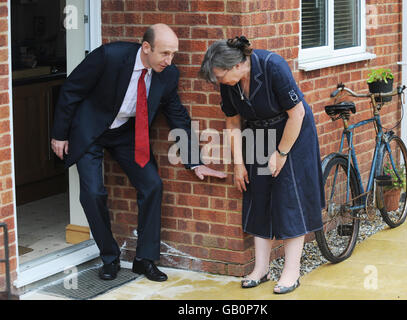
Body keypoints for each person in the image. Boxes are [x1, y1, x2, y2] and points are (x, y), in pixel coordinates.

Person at [51, 24, 226, 282]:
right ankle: (109, 258)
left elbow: (177, 115)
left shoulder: (167, 75)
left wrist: (194, 161)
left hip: (126, 134)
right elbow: (71, 89)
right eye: (165, 53)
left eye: (173, 54)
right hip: (90, 130)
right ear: (146, 48)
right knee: (92, 193)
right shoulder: (109, 57)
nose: (170, 60)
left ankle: (144, 260)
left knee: (152, 185)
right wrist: (60, 133)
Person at [199, 36, 324, 294]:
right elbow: (233, 123)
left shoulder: (272, 66)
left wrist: (281, 152)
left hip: (292, 131)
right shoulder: (228, 83)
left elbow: (297, 113)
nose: (218, 82)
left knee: (290, 197)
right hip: (257, 134)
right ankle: (261, 268)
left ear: (236, 65)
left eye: (220, 76)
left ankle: (291, 271)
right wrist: (238, 164)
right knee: (258, 196)